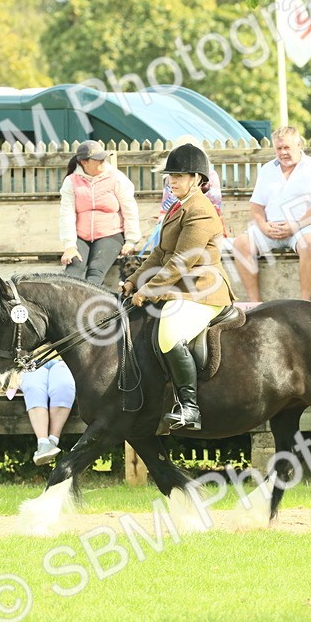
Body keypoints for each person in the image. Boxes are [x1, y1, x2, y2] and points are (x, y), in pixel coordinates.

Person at [122, 144, 233, 432]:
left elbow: (181, 262)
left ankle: (190, 408)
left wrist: (148, 290)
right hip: (180, 288)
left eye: (179, 176)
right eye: (170, 176)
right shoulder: (178, 206)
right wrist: (135, 279)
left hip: (203, 291)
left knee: (169, 334)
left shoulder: (202, 211)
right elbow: (160, 254)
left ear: (197, 178)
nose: (172, 181)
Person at [231, 126, 311, 301]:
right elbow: (256, 206)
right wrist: (263, 226)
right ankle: (254, 304)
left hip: (306, 227)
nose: (283, 152)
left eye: (287, 147)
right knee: (240, 243)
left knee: (308, 245)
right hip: (272, 228)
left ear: (299, 144)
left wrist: (296, 225)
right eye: (279, 148)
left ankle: (304, 302)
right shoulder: (267, 170)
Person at [59, 139, 141, 288]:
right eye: (98, 159)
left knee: (95, 271)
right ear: (84, 162)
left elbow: (129, 208)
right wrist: (69, 245)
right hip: (81, 236)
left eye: (104, 157)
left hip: (110, 235)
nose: (103, 161)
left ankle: (89, 307)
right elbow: (67, 214)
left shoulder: (116, 177)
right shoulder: (71, 181)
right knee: (73, 269)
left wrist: (131, 240)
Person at [20, 359, 75, 464]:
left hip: (63, 358)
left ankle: (52, 441)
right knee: (33, 386)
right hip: (31, 359)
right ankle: (43, 442)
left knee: (64, 385)